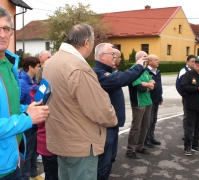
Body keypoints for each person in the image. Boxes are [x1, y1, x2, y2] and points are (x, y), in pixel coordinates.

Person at [42, 24, 118, 180]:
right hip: (80, 144)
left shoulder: (51, 62)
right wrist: (113, 119)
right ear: (86, 43)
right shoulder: (78, 67)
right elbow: (99, 109)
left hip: (60, 139)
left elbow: (44, 96)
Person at [0, 6, 49, 180]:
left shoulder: (10, 66)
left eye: (6, 28)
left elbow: (10, 108)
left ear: (12, 32)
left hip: (13, 163)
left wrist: (27, 109)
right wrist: (28, 118)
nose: (2, 34)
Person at [93, 43, 146, 180]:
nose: (115, 57)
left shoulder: (109, 71)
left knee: (110, 159)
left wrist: (139, 68)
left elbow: (123, 77)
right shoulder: (98, 73)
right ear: (102, 56)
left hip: (113, 124)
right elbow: (119, 80)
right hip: (106, 126)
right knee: (103, 163)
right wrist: (138, 66)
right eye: (112, 54)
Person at [176, 55, 199, 142]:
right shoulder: (184, 72)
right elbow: (180, 86)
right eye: (193, 61)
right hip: (189, 98)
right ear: (187, 62)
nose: (194, 63)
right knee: (188, 117)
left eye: (195, 62)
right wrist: (187, 96)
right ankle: (187, 134)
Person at [126, 51, 155, 159]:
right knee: (136, 128)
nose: (147, 59)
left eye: (147, 57)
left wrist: (147, 84)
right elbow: (139, 87)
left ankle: (140, 146)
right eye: (144, 57)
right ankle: (130, 150)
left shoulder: (145, 71)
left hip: (148, 102)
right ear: (138, 59)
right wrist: (148, 85)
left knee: (145, 126)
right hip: (139, 103)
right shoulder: (133, 70)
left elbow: (154, 85)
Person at [18, 57, 44, 180]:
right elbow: (18, 103)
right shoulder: (22, 83)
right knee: (27, 152)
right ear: (30, 67)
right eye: (38, 66)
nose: (39, 68)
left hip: (34, 122)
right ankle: (25, 176)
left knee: (34, 150)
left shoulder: (34, 81)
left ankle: (33, 173)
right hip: (27, 122)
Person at [35, 51, 59, 180]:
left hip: (47, 144)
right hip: (49, 144)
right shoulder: (42, 95)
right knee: (53, 175)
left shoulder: (41, 92)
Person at [144, 54, 163, 148]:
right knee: (149, 121)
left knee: (154, 120)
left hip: (156, 99)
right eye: (155, 60)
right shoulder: (146, 72)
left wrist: (160, 97)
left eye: (158, 60)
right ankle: (146, 140)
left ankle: (151, 137)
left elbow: (159, 85)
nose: (157, 61)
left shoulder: (157, 72)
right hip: (149, 100)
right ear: (150, 62)